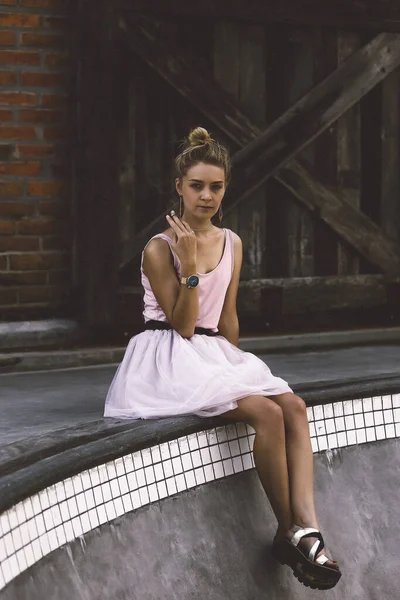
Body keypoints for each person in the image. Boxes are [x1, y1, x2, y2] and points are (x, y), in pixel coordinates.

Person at [104, 127, 341, 590]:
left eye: (216, 186)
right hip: (168, 354)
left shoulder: (232, 242)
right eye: (196, 185)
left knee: (292, 405)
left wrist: (237, 367)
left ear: (225, 187)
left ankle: (307, 527)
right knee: (267, 416)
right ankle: (287, 530)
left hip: (212, 352)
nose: (206, 195)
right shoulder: (158, 248)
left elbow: (227, 317)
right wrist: (189, 265)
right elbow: (185, 325)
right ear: (179, 187)